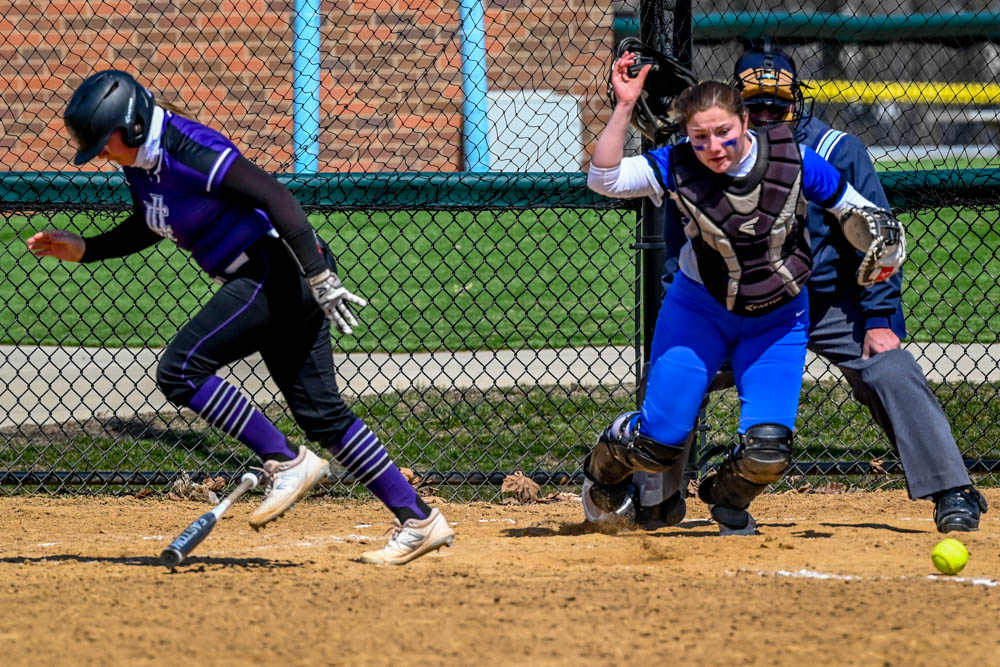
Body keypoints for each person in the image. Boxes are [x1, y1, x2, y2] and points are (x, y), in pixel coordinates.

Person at [28, 69, 454, 564]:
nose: (100, 153)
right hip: (269, 275)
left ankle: (285, 461)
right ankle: (420, 520)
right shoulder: (142, 162)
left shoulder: (188, 149)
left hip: (277, 270)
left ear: (135, 126)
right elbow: (158, 218)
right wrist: (87, 249)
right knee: (322, 414)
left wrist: (318, 277)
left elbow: (277, 197)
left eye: (104, 142)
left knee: (180, 370)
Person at [616, 44, 988, 534]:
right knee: (680, 375)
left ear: (797, 103)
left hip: (828, 302)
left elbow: (877, 237)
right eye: (757, 104)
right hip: (730, 305)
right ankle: (653, 498)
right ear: (738, 109)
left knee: (891, 366)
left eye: (778, 104)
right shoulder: (707, 156)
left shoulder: (833, 150)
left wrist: (879, 321)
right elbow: (677, 250)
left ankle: (951, 489)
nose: (769, 113)